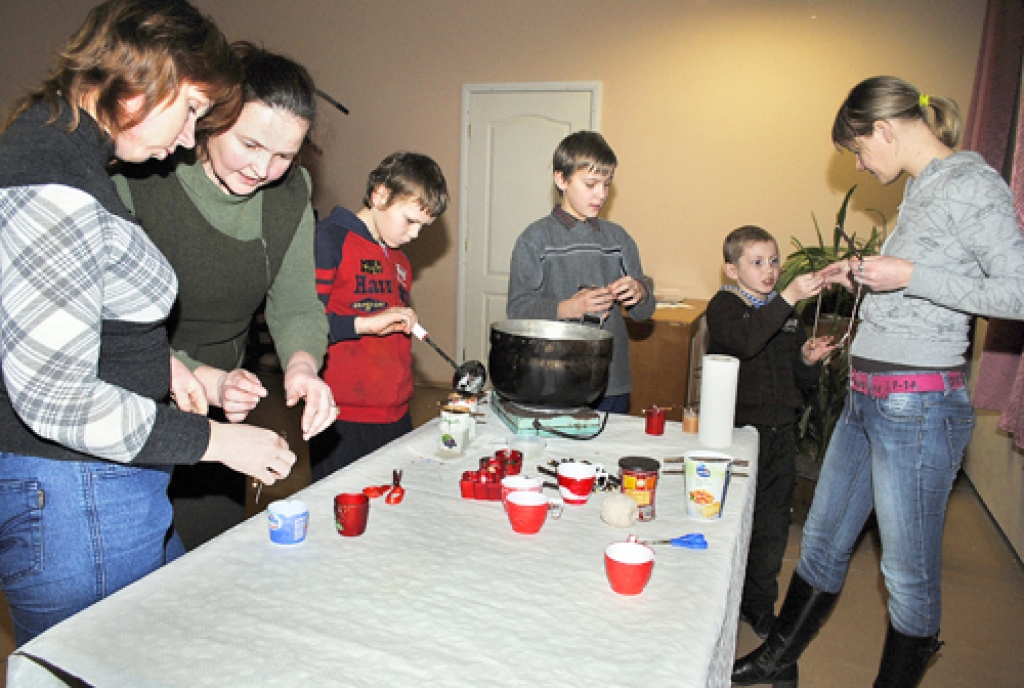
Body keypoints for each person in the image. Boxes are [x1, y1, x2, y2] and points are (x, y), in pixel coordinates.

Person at [0, 0, 295, 645]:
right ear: (144, 74)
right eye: (191, 109)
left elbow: (56, 311)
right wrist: (218, 442)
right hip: (76, 495)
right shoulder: (53, 180)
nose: (189, 138)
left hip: (102, 490)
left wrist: (161, 362)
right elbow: (56, 398)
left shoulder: (66, 154)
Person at [733, 76, 1024, 688]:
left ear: (885, 131)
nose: (859, 164)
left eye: (859, 150)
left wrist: (909, 272)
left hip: (918, 408)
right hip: (868, 400)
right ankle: (775, 662)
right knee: (821, 542)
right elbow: (917, 284)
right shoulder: (923, 190)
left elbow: (1017, 293)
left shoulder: (971, 184)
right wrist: (862, 274)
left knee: (907, 576)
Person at [114, 44, 333, 538]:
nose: (263, 169)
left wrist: (302, 366)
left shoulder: (290, 191)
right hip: (131, 392)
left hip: (222, 402)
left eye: (284, 155)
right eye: (250, 145)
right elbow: (111, 329)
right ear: (210, 119)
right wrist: (202, 377)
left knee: (208, 550)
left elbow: (296, 302)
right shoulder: (142, 177)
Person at [706, 225, 833, 640]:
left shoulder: (784, 313)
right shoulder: (724, 306)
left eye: (774, 260)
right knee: (730, 519)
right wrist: (789, 298)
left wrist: (807, 361)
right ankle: (715, 599)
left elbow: (798, 381)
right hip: (738, 434)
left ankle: (759, 604)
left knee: (772, 525)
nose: (769, 269)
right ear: (731, 269)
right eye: (757, 262)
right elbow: (743, 342)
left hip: (781, 434)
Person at [311, 152, 449, 480]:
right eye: (409, 220)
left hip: (395, 413)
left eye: (423, 226)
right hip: (340, 415)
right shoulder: (329, 238)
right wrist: (364, 325)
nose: (415, 234)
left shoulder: (401, 262)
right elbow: (307, 323)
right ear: (380, 195)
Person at [506, 131, 654, 413]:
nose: (601, 194)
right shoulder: (535, 239)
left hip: (612, 380)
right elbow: (518, 310)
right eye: (591, 184)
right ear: (561, 179)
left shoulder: (619, 239)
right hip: (554, 379)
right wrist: (568, 307)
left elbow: (643, 313)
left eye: (607, 184)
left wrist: (640, 292)